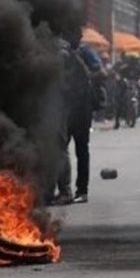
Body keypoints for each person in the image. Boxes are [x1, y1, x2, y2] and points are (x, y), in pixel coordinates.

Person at [55, 32, 94, 204]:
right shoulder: (70, 56)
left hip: (79, 110)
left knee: (75, 150)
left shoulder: (77, 57)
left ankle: (74, 191)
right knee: (64, 149)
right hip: (71, 109)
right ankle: (70, 191)